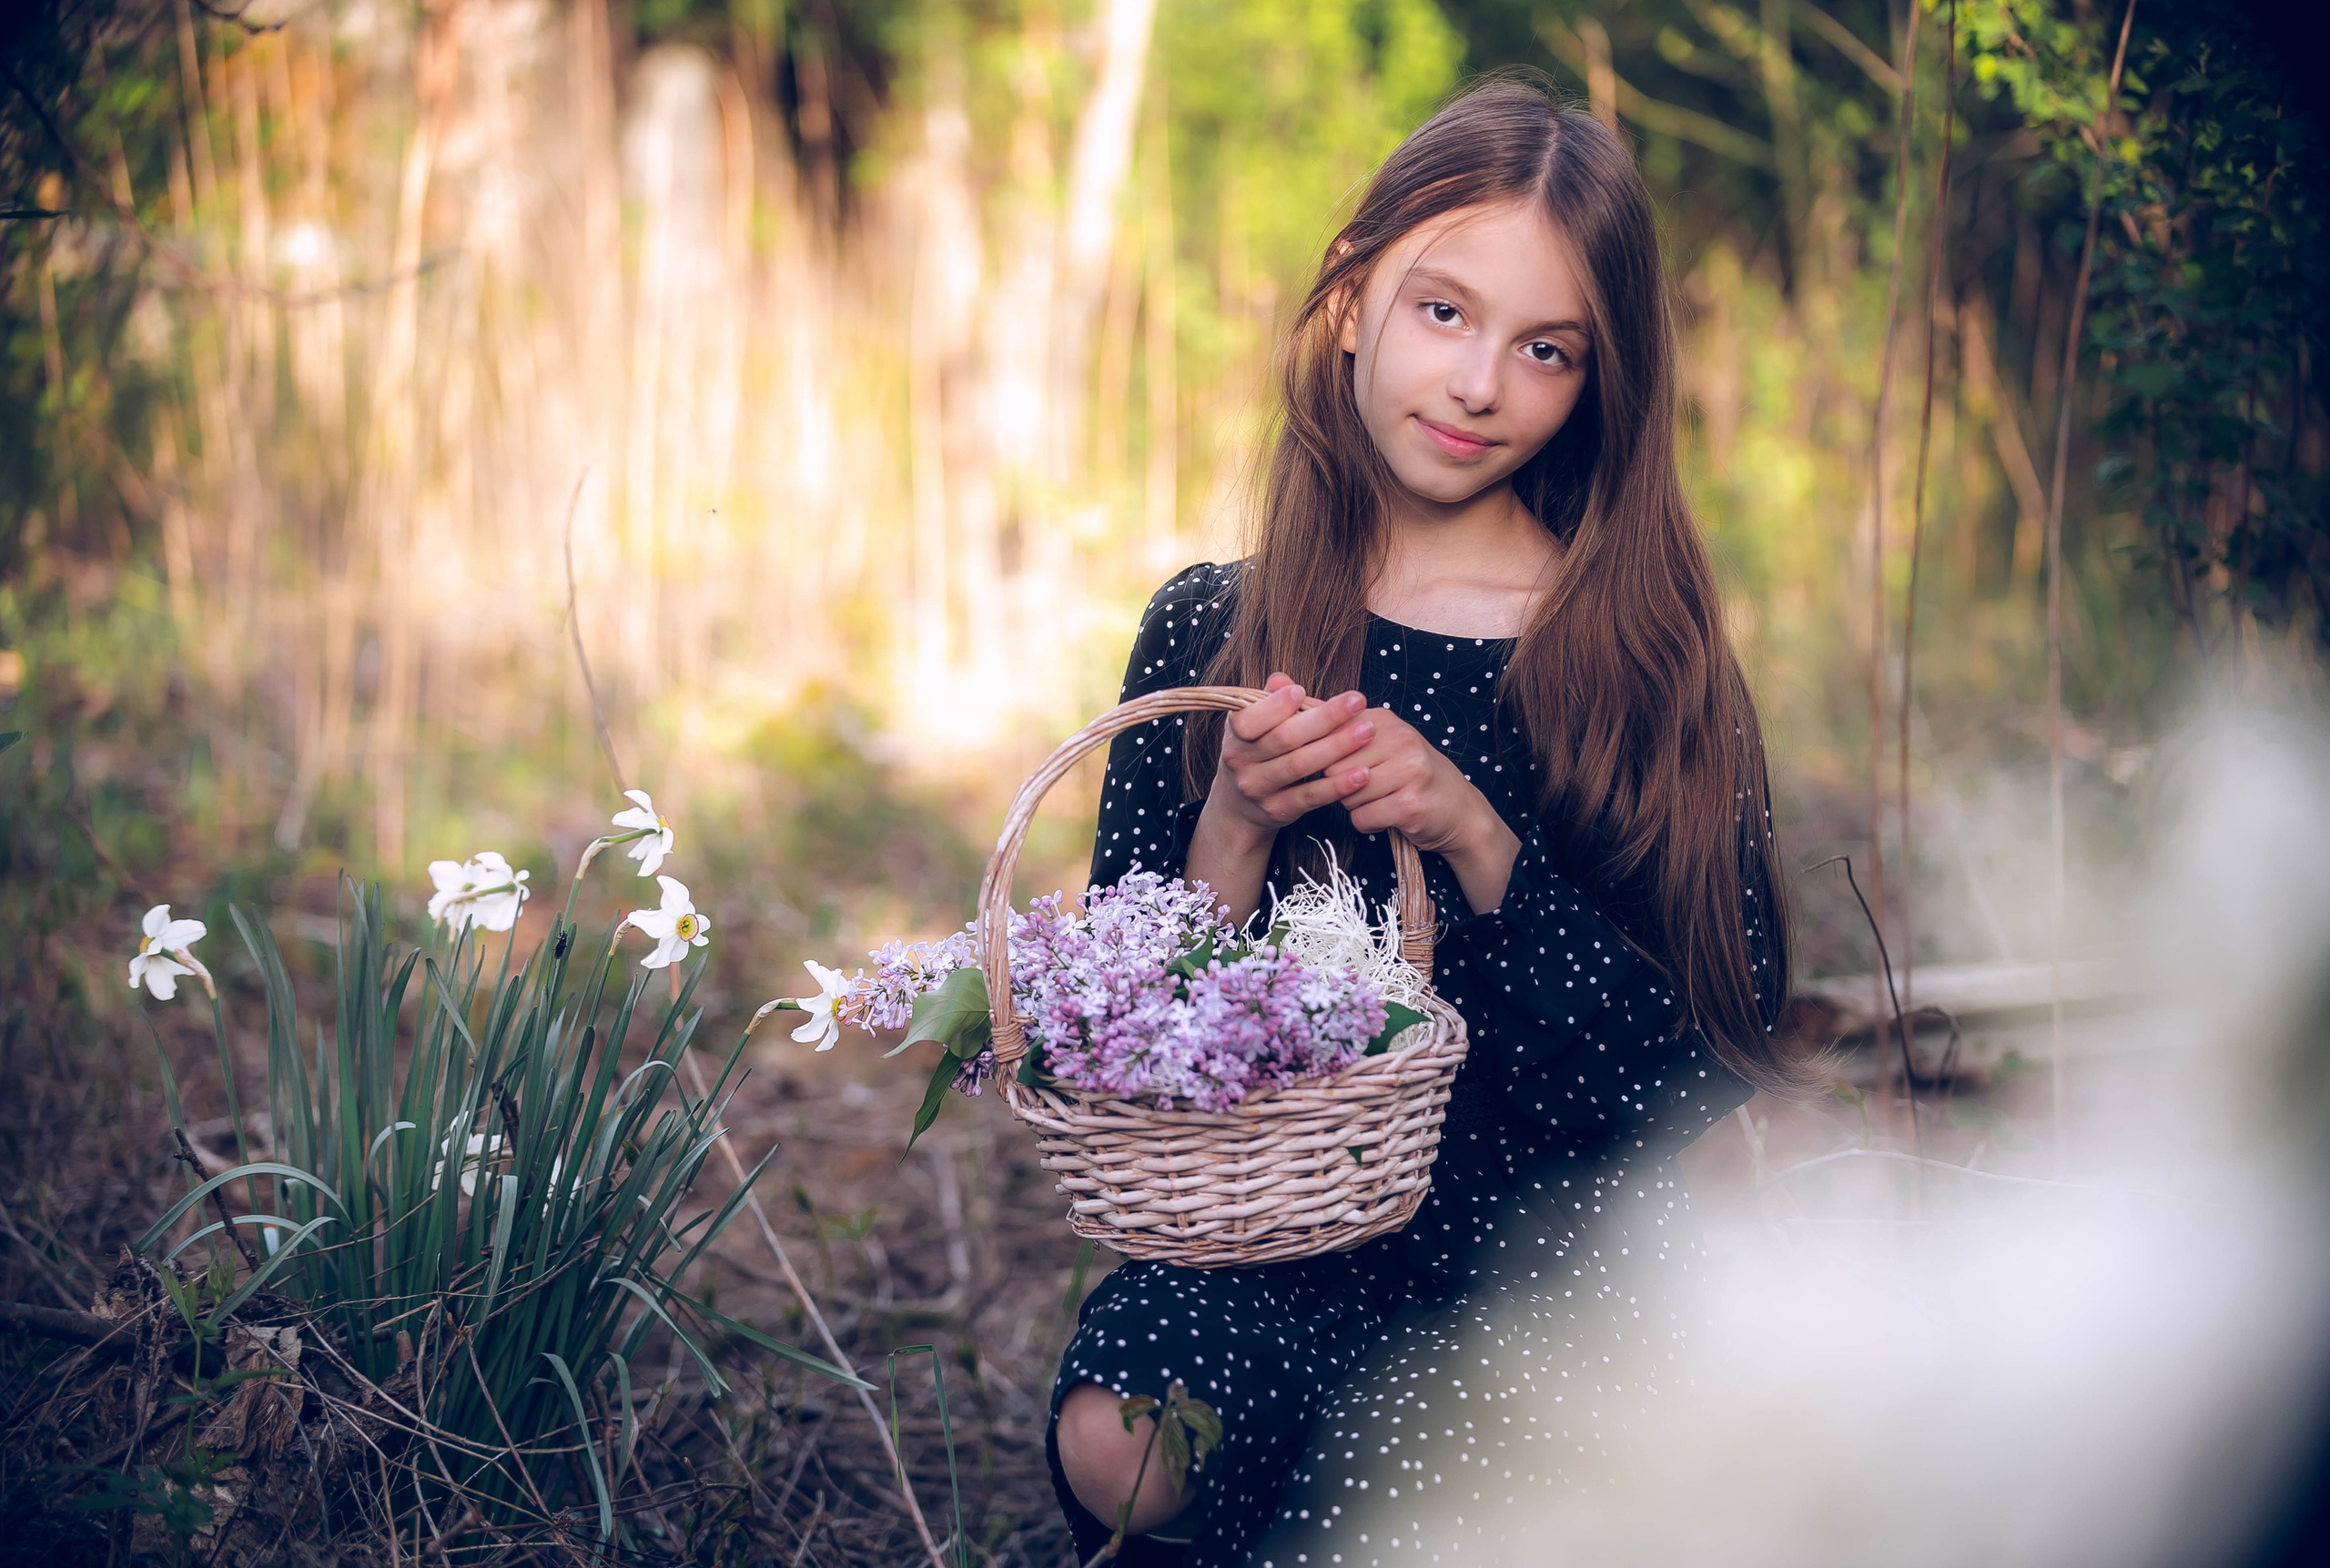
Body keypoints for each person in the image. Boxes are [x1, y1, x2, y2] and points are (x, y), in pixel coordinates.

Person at [1045, 76, 1799, 1567]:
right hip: (1280, 1234)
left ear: (1598, 384)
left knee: (1414, 1496)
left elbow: (1712, 1061)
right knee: (1119, 1440)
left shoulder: (1637, 656)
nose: (1476, 385)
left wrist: (1478, 840)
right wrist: (1237, 829)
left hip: (1545, 1249)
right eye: (1442, 312)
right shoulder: (1216, 623)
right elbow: (1113, 1037)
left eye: (1544, 349)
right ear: (1351, 301)